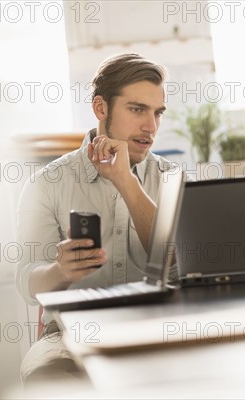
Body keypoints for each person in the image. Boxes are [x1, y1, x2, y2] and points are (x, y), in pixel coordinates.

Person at [15, 53, 175, 384]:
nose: (151, 126)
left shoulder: (170, 177)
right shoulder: (46, 183)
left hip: (155, 326)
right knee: (47, 378)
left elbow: (178, 265)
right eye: (137, 109)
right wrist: (60, 271)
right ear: (101, 108)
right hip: (69, 336)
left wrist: (126, 182)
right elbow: (27, 283)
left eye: (157, 113)